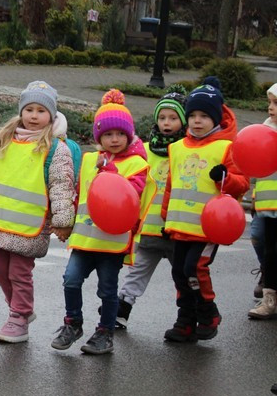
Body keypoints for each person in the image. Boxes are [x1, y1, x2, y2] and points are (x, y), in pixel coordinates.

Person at [0, 81, 75, 343]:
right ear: (21, 111)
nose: (34, 116)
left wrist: (63, 220)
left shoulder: (55, 149)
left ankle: (19, 316)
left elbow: (61, 186)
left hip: (31, 226)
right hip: (1, 222)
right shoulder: (5, 141)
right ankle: (19, 309)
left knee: (19, 272)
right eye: (29, 109)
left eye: (41, 110)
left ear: (51, 114)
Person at [52, 90, 150, 355]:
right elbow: (78, 195)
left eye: (119, 134)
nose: (114, 139)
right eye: (107, 134)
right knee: (71, 280)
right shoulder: (88, 160)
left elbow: (132, 194)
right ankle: (73, 323)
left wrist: (109, 171)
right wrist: (65, 223)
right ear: (99, 137)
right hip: (85, 238)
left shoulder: (137, 164)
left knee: (107, 290)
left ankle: (105, 332)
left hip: (112, 242)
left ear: (129, 135)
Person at [160, 76, 248, 342]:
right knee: (179, 272)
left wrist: (224, 178)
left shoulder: (226, 148)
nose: (197, 121)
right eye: (193, 115)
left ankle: (208, 312)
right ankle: (185, 321)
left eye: (204, 116)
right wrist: (166, 217)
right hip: (180, 225)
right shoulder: (177, 148)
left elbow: (241, 183)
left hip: (208, 227)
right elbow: (171, 185)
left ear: (216, 118)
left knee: (194, 268)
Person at [115, 88, 187, 329]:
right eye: (162, 117)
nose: (167, 123)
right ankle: (122, 310)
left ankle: (188, 315)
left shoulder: (186, 151)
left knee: (183, 276)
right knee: (137, 271)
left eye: (173, 118)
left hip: (176, 229)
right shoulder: (144, 150)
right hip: (148, 228)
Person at [246, 83, 277, 319]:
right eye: (270, 103)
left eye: (276, 103)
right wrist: (255, 196)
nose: (271, 108)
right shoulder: (264, 132)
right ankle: (269, 296)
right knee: (265, 246)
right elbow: (257, 170)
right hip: (267, 206)